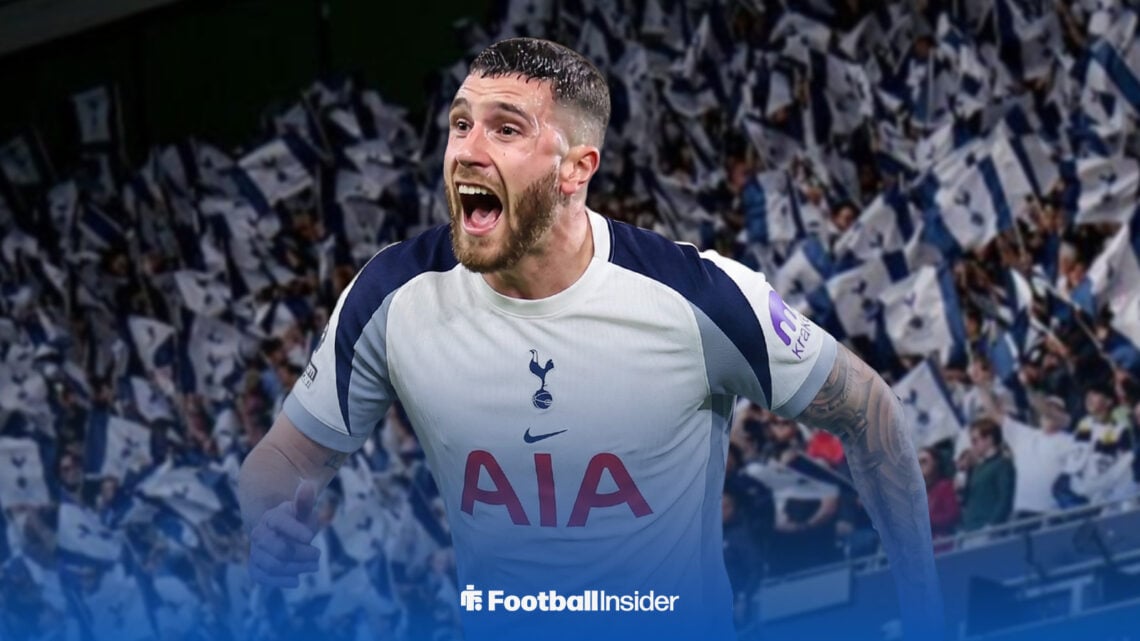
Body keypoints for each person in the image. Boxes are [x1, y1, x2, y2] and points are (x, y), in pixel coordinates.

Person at [237, 37, 943, 641]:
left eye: (505, 129)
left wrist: (926, 616)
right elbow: (286, 458)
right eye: (459, 124)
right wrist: (268, 524)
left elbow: (867, 408)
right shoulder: (393, 295)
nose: (467, 150)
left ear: (577, 166)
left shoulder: (696, 298)